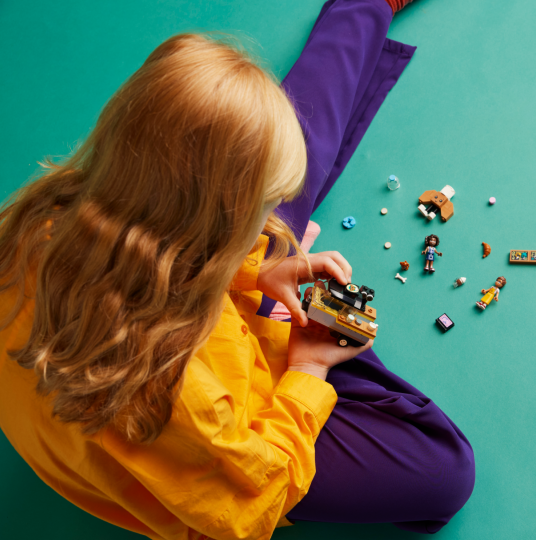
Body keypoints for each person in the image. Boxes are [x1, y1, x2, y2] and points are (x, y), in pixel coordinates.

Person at [0, 0, 475, 538]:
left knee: (255, 141)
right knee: (445, 470)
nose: (267, 226)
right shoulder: (188, 395)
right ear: (211, 224)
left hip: (170, 335)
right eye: (255, 213)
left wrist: (249, 270)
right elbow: (249, 502)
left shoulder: (39, 222)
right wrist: (309, 368)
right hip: (198, 427)